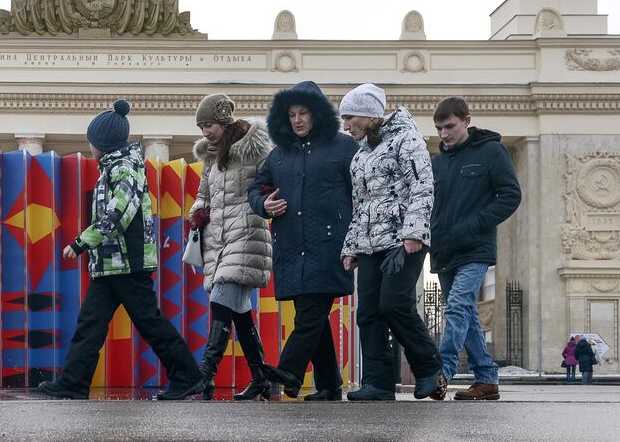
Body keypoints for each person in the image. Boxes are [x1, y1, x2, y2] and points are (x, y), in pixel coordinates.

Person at [39, 100, 205, 400]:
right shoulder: (113, 166)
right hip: (110, 264)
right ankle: (74, 383)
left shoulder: (124, 167)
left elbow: (119, 211)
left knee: (149, 322)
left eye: (92, 141)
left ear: (103, 143)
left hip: (128, 263)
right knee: (90, 323)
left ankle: (188, 377)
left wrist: (81, 242)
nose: (89, 147)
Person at [248, 81, 360, 402]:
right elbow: (256, 189)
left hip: (328, 246)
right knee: (313, 318)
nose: (297, 120)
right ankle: (328, 386)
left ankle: (289, 371)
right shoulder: (279, 155)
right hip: (292, 246)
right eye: (292, 114)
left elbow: (366, 188)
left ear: (318, 114)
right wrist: (263, 204)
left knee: (310, 315)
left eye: (304, 113)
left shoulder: (344, 147)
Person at [337, 84, 446, 402]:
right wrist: (351, 246)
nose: (346, 126)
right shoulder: (359, 157)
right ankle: (378, 383)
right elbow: (361, 204)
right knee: (367, 313)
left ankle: (429, 369)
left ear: (369, 115)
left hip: (403, 241)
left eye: (349, 117)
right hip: (370, 243)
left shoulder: (406, 138)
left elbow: (423, 185)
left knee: (394, 304)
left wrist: (413, 233)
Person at [428, 97, 522, 401]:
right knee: (466, 311)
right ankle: (486, 379)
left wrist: (476, 224)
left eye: (450, 126)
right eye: (439, 128)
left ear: (467, 120)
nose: (444, 133)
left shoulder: (491, 152)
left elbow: (510, 195)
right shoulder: (436, 163)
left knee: (456, 305)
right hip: (444, 251)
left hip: (475, 247)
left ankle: (442, 371)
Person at [187, 94, 277, 400]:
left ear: (224, 121)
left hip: (247, 234)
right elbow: (203, 195)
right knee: (239, 312)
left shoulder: (255, 150)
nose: (205, 132)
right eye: (201, 127)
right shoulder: (211, 156)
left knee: (221, 302)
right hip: (218, 239)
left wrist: (267, 198)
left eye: (209, 124)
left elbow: (271, 182)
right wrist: (197, 211)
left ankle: (205, 373)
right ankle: (261, 376)